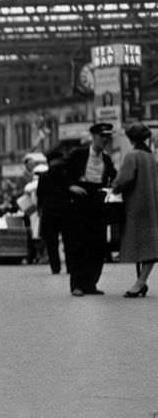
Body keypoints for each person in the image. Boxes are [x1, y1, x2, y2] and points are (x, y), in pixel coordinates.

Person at [62, 122, 117, 296]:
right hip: (80, 203)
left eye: (108, 137)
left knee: (98, 245)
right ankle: (77, 284)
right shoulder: (78, 155)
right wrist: (71, 186)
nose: (105, 140)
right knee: (79, 244)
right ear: (93, 137)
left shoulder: (107, 160)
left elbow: (113, 178)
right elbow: (62, 175)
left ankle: (91, 283)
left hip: (98, 203)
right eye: (102, 137)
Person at [112, 122, 158, 297]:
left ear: (131, 139)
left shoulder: (132, 156)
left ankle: (140, 283)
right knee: (149, 244)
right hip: (152, 203)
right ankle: (141, 281)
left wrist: (115, 187)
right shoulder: (151, 157)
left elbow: (124, 179)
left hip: (137, 205)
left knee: (142, 244)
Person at [36, 149, 70, 274]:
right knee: (68, 240)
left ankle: (55, 267)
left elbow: (39, 196)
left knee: (52, 242)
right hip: (66, 211)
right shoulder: (66, 174)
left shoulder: (44, 176)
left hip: (49, 212)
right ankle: (70, 266)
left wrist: (40, 210)